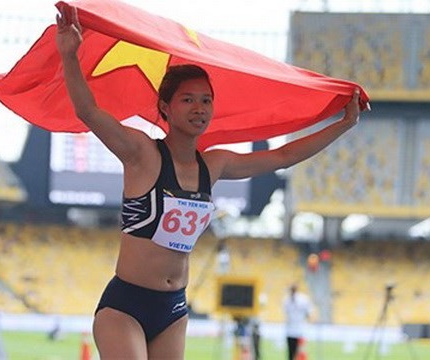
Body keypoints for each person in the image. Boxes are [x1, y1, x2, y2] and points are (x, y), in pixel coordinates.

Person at [56, 5, 360, 359]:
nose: (199, 108)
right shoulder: (142, 152)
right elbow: (88, 112)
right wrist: (69, 55)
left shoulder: (214, 164)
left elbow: (282, 157)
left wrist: (341, 125)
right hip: (125, 307)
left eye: (206, 100)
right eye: (187, 100)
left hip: (172, 309)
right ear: (165, 108)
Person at [283, 284, 312, 360]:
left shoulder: (302, 299)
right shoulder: (287, 300)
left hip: (299, 331)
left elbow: (308, 313)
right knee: (292, 353)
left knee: (300, 353)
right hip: (292, 330)